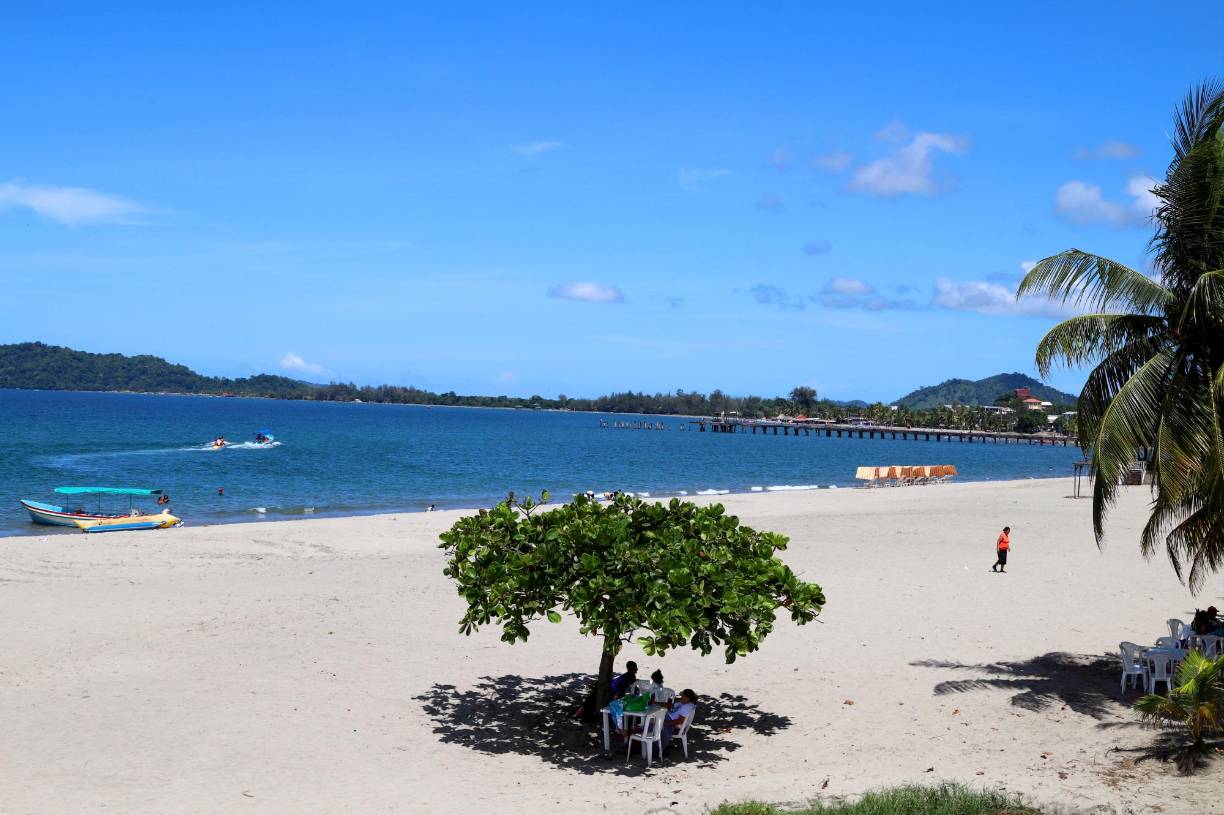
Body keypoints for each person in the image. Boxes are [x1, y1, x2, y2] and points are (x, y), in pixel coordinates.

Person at [661, 689, 697, 755]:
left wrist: (665, 723)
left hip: (673, 723)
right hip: (670, 718)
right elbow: (670, 705)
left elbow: (679, 721)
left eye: (682, 696)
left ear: (687, 698)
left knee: (655, 719)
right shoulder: (687, 704)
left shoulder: (686, 708)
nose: (681, 698)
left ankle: (659, 747)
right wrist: (656, 703)